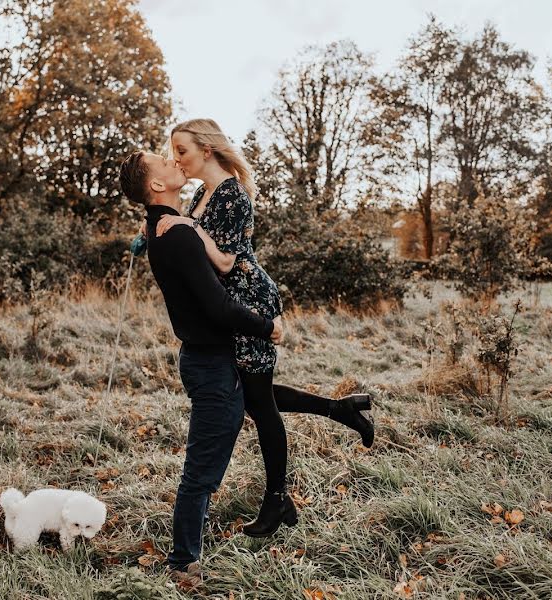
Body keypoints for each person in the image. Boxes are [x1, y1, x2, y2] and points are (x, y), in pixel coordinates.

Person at [156, 118, 374, 538]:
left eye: (181, 150)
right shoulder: (204, 193)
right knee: (253, 397)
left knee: (257, 402)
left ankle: (277, 499)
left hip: (247, 300)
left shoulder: (233, 196)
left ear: (206, 149)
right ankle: (339, 410)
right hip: (225, 306)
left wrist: (187, 226)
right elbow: (189, 247)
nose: (176, 158)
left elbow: (223, 262)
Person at [118, 150, 284, 581]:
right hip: (212, 364)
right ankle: (182, 563)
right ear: (157, 185)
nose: (175, 163)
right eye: (165, 162)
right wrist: (267, 326)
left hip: (203, 359)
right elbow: (219, 306)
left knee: (221, 448)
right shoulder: (175, 235)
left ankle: (333, 420)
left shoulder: (161, 226)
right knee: (202, 472)